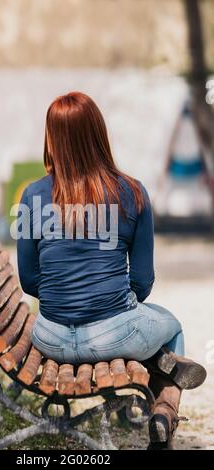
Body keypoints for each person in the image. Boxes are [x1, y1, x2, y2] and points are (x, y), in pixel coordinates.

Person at [17, 91, 206, 450]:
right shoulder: (132, 192)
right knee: (171, 325)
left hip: (51, 338)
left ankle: (156, 364)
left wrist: (69, 296)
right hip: (114, 333)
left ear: (51, 139)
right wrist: (109, 303)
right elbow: (143, 281)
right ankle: (165, 408)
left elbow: (29, 280)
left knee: (143, 324)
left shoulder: (32, 196)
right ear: (98, 135)